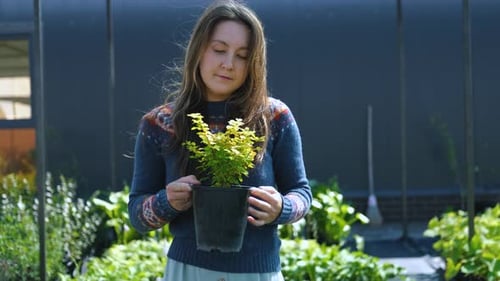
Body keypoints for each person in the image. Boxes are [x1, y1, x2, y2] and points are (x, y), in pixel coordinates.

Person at [128, 0, 311, 280]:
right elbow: (137, 216)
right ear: (199, 50)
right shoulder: (160, 123)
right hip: (187, 272)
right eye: (219, 50)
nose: (228, 64)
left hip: (257, 273)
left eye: (242, 55)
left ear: (254, 63)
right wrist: (166, 202)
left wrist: (282, 208)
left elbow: (301, 193)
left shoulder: (273, 117)